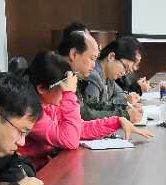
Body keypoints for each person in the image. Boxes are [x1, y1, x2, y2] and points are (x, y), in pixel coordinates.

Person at [21, 50, 149, 169]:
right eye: (64, 88)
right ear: (42, 89)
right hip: (33, 173)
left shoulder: (51, 103)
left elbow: (78, 129)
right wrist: (69, 94)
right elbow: (70, 140)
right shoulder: (31, 111)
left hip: (49, 166)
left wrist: (116, 122)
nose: (66, 92)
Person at [78, 33, 143, 124]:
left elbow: (121, 95)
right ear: (111, 57)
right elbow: (89, 114)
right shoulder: (92, 75)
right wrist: (125, 114)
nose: (124, 73)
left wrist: (124, 102)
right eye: (125, 67)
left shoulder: (109, 77)